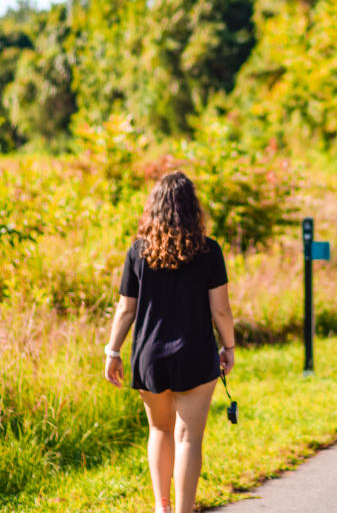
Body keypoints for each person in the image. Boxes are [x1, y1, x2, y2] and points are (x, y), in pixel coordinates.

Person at [103, 172, 237, 513]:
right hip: (194, 354)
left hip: (149, 355)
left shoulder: (137, 252)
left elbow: (125, 309)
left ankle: (161, 507)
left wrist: (113, 351)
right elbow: (220, 310)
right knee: (189, 436)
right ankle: (183, 511)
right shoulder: (209, 251)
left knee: (159, 429)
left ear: (154, 209)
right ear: (193, 210)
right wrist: (229, 347)